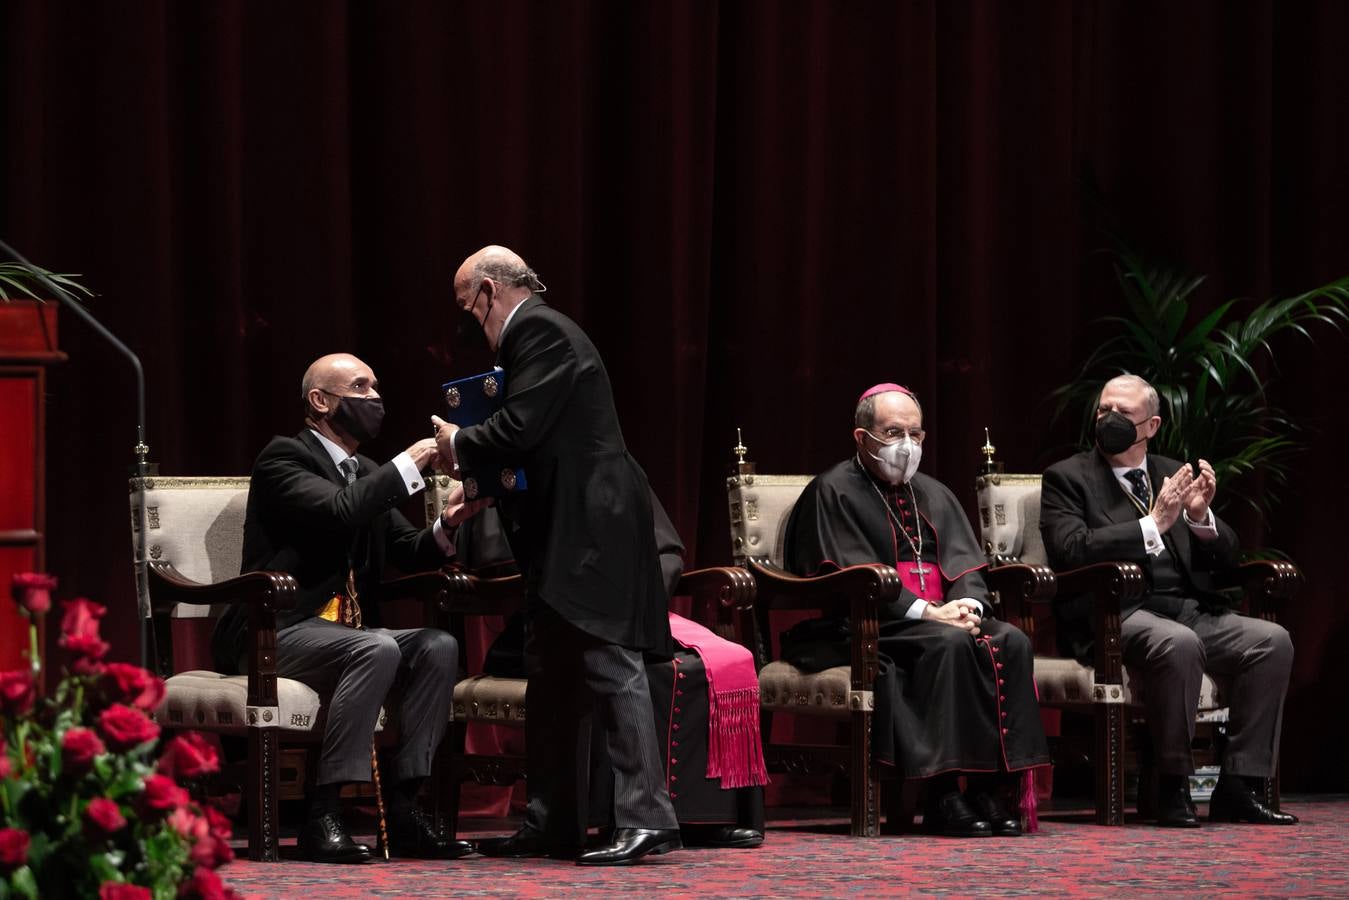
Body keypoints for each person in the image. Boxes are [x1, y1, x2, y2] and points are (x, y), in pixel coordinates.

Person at [434, 245, 680, 865]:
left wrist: (458, 441)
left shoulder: (540, 330)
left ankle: (647, 817)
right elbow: (541, 443)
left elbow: (521, 428)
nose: (469, 323)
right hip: (560, 529)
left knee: (608, 664)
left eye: (468, 306)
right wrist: (483, 487)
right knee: (552, 676)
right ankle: (552, 821)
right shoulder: (534, 337)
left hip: (590, 528)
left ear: (489, 290)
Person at [210, 353, 489, 863]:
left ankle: (404, 811)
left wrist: (447, 525)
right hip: (275, 631)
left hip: (343, 638)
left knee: (437, 646)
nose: (375, 398)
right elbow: (341, 511)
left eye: (377, 387)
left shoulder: (364, 470)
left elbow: (406, 549)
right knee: (377, 648)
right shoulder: (282, 459)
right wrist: (411, 462)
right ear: (321, 401)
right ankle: (326, 813)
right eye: (361, 388)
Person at [783, 384, 1049, 837]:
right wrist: (928, 612)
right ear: (862, 438)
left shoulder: (934, 493)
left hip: (937, 620)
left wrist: (968, 602)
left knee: (1011, 640)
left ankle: (990, 790)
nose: (906, 445)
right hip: (865, 624)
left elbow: (967, 565)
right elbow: (851, 575)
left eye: (915, 434)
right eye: (892, 432)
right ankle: (939, 794)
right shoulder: (833, 490)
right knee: (947, 644)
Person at [1039, 373, 1297, 828]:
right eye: (1103, 410)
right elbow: (1070, 550)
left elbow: (1227, 557)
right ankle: (1169, 782)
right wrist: (1152, 524)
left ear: (1151, 425)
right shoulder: (1068, 478)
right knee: (1179, 644)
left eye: (1124, 414)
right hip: (1116, 613)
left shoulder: (1170, 472)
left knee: (1272, 641)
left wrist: (1200, 517)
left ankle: (1241, 783)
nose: (1109, 420)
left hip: (1187, 608)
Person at [463, 492, 767, 848]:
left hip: (633, 617)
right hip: (549, 626)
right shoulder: (528, 476)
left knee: (707, 666)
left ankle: (701, 819)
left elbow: (667, 553)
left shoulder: (615, 469)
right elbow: (502, 559)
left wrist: (637, 600)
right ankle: (622, 818)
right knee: (629, 669)